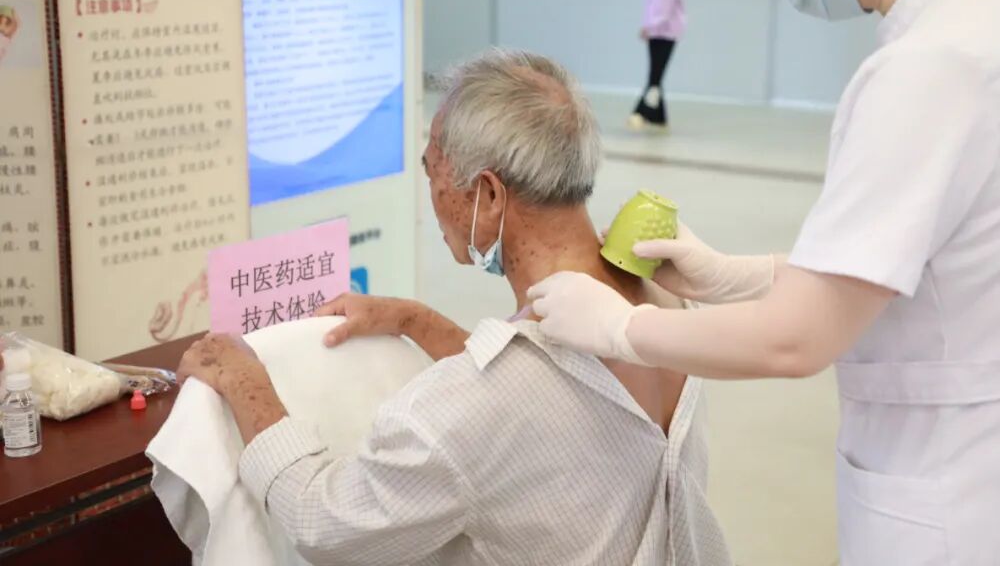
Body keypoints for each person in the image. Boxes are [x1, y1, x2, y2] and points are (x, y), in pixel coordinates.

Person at [528, 0, 1000, 565]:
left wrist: (620, 326)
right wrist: (741, 275)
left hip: (956, 503)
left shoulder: (931, 69)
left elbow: (795, 341)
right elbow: (945, 260)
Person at [177, 49, 732, 565]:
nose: (432, 195)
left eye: (432, 172)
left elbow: (323, 521)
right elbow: (550, 393)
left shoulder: (463, 408)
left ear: (488, 196)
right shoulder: (664, 300)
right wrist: (413, 318)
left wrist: (245, 382)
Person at [629, 0, 687, 132]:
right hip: (658, 30)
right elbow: (653, 2)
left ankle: (640, 112)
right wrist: (650, 26)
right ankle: (659, 118)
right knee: (656, 72)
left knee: (655, 75)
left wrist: (651, 25)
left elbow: (664, 2)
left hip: (666, 30)